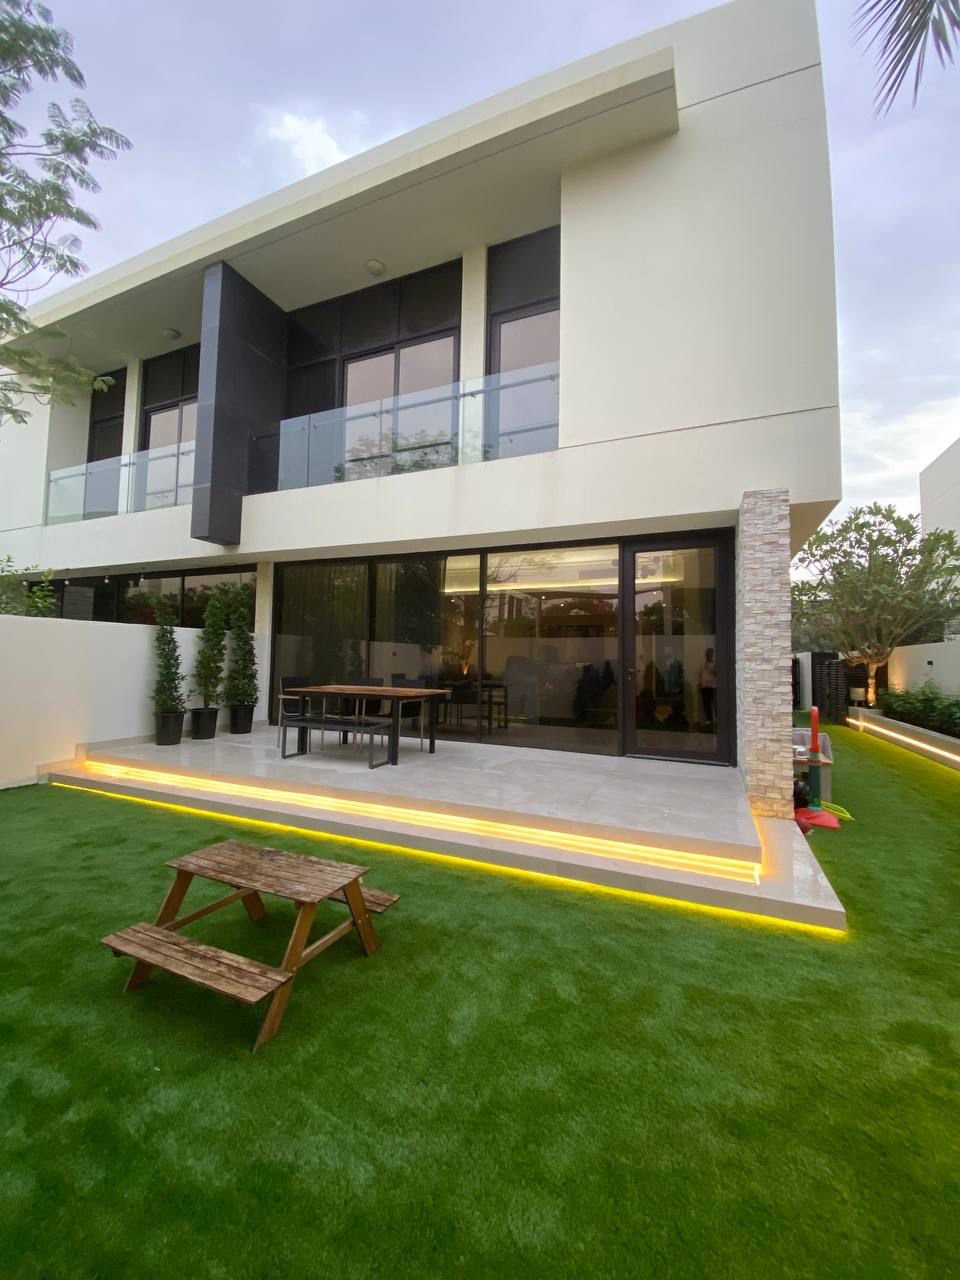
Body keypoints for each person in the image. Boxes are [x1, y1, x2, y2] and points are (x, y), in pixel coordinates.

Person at [698, 647, 717, 726]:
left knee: (715, 703)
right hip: (704, 686)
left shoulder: (715, 663)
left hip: (712, 686)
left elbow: (716, 673)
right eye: (707, 654)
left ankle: (718, 719)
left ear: (712, 655)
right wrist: (700, 684)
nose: (708, 655)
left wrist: (709, 668)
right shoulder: (703, 664)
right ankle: (709, 720)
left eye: (710, 654)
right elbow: (701, 674)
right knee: (706, 704)